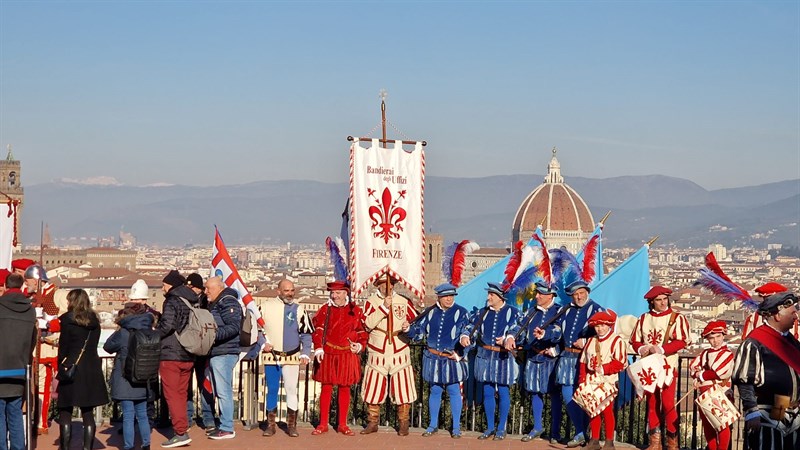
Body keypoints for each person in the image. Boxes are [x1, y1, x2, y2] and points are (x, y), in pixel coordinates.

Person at [733, 292, 800, 450]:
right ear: (777, 316)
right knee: (771, 443)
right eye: (793, 312)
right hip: (767, 411)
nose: (796, 317)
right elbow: (745, 380)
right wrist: (751, 411)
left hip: (789, 409)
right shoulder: (755, 343)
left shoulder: (792, 343)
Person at [629, 285, 690, 450]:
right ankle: (655, 442)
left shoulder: (676, 318)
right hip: (649, 368)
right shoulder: (643, 318)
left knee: (668, 402)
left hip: (668, 367)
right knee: (652, 402)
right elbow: (635, 340)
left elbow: (682, 340)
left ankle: (672, 442)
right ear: (652, 302)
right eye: (658, 300)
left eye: (665, 299)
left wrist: (662, 349)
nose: (663, 303)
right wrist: (642, 348)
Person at [406, 283, 469, 439]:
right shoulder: (430, 312)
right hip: (433, 358)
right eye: (445, 296)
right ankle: (432, 425)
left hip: (451, 359)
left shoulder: (462, 312)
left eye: (451, 296)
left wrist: (461, 348)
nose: (449, 299)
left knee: (454, 391)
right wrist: (408, 330)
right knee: (435, 391)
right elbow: (419, 332)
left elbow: (467, 332)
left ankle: (455, 427)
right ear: (439, 297)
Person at [459, 282, 520, 441]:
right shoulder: (482, 312)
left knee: (503, 392)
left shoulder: (513, 313)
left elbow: (519, 329)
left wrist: (509, 337)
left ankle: (501, 428)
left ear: (500, 297)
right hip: (485, 357)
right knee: (487, 392)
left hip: (503, 358)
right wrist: (465, 336)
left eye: (491, 295)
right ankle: (490, 427)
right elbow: (470, 327)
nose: (488, 297)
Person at [360, 275, 418, 436]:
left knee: (403, 387)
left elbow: (416, 324)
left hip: (399, 347)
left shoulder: (404, 301)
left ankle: (404, 423)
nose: (389, 287)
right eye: (385, 284)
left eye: (391, 284)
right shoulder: (371, 302)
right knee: (373, 386)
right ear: (378, 286)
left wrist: (408, 328)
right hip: (378, 348)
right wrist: (384, 308)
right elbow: (367, 324)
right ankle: (372, 422)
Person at [505, 281, 563, 442]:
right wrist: (510, 337)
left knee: (554, 394)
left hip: (551, 359)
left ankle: (555, 432)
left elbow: (561, 333)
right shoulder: (531, 311)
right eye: (537, 293)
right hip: (532, 356)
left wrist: (547, 336)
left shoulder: (559, 311)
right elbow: (518, 326)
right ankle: (537, 427)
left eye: (541, 294)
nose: (536, 296)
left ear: (550, 295)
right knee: (534, 391)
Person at [257, 279, 313, 437]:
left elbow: (306, 334)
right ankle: (270, 425)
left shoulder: (299, 309)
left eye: (292, 290)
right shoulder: (265, 307)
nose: (290, 293)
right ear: (278, 291)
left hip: (292, 356)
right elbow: (256, 329)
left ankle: (291, 425)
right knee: (272, 389)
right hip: (271, 356)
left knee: (291, 390)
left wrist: (305, 353)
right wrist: (263, 344)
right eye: (286, 290)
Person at [311, 281, 367, 436]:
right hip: (328, 353)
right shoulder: (325, 310)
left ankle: (342, 424)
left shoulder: (355, 310)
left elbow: (362, 332)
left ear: (345, 293)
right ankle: (323, 424)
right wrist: (318, 347)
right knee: (326, 387)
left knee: (345, 387)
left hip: (347, 354)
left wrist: (360, 346)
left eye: (337, 293)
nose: (334, 296)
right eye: (332, 293)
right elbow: (318, 330)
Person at [56, 289, 109, 450]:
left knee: (65, 410)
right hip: (91, 368)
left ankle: (65, 447)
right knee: (88, 412)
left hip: (71, 367)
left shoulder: (67, 320)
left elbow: (63, 347)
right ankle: (88, 447)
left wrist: (61, 364)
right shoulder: (95, 321)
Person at [554, 280, 604, 447]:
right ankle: (581, 432)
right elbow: (556, 329)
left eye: (581, 293)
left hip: (586, 359)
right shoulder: (565, 309)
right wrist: (545, 334)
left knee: (584, 396)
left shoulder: (597, 309)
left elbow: (604, 334)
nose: (578, 296)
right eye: (575, 294)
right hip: (566, 357)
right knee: (568, 394)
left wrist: (586, 342)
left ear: (587, 292)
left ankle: (584, 433)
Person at [103, 303, 156, 450]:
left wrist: (118, 330)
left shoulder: (124, 332)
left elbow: (107, 347)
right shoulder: (148, 330)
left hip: (125, 378)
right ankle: (146, 445)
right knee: (143, 415)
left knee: (128, 415)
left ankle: (128, 446)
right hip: (144, 377)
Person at [156, 270, 198, 448]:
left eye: (164, 284)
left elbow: (167, 325)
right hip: (189, 353)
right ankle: (183, 426)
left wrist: (152, 335)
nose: (162, 288)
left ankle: (180, 432)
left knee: (171, 395)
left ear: (171, 284)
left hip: (171, 354)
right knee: (181, 393)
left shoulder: (172, 301)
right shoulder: (192, 300)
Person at [578, 309, 626, 450]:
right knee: (593, 410)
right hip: (591, 381)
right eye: (597, 326)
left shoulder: (616, 341)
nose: (600, 329)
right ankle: (594, 439)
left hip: (608, 381)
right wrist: (582, 380)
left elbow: (621, 362)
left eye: (603, 326)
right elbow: (583, 361)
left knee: (607, 411)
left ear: (609, 325)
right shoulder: (591, 340)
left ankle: (609, 441)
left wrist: (605, 368)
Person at [203, 277, 242, 440]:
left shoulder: (228, 303)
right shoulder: (218, 302)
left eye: (208, 289)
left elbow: (233, 327)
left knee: (224, 391)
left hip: (224, 353)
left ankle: (227, 427)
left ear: (219, 288)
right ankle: (224, 425)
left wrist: (211, 336)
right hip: (218, 352)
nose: (205, 292)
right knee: (220, 391)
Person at [0, 273, 36, 450]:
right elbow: (33, 340)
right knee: (15, 413)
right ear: (22, 286)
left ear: (6, 286)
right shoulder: (30, 310)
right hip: (19, 369)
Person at [25, 264, 61, 435]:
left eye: (28, 280)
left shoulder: (55, 294)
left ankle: (41, 422)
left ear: (36, 280)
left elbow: (59, 320)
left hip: (48, 347)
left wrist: (46, 325)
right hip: (34, 347)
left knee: (44, 387)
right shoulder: (31, 296)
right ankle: (36, 420)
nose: (26, 284)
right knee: (34, 386)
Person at [689, 321, 734, 450]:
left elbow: (717, 372)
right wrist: (699, 374)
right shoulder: (704, 353)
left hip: (721, 392)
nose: (715, 341)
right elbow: (693, 367)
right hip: (704, 393)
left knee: (722, 424)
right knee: (708, 425)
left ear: (723, 335)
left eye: (718, 336)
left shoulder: (727, 354)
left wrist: (700, 375)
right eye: (712, 338)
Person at [183, 273, 214, 432]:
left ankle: (208, 418)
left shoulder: (206, 302)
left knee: (205, 385)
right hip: (188, 349)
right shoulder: (184, 302)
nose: (190, 290)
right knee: (186, 386)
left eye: (192, 287)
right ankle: (187, 418)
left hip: (203, 350)